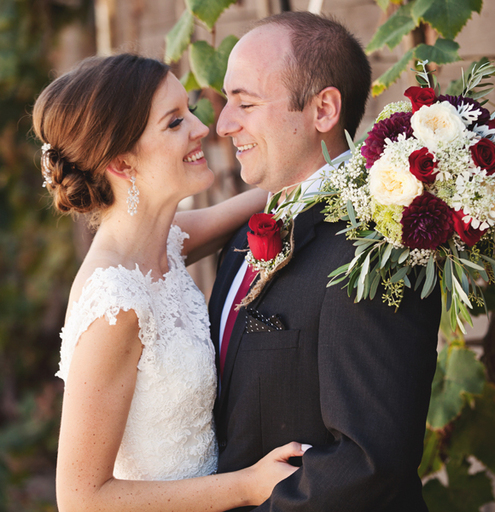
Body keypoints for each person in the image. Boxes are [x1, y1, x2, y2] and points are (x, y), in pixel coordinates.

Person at [33, 53, 307, 512]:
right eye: (175, 122)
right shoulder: (117, 304)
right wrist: (246, 486)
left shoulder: (165, 241)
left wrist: (336, 167)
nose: (203, 128)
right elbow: (80, 500)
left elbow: (264, 198)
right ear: (122, 162)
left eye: (190, 111)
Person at [212, 12, 442, 511]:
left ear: (323, 110)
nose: (223, 124)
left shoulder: (375, 250)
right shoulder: (243, 235)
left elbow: (368, 464)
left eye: (245, 103)